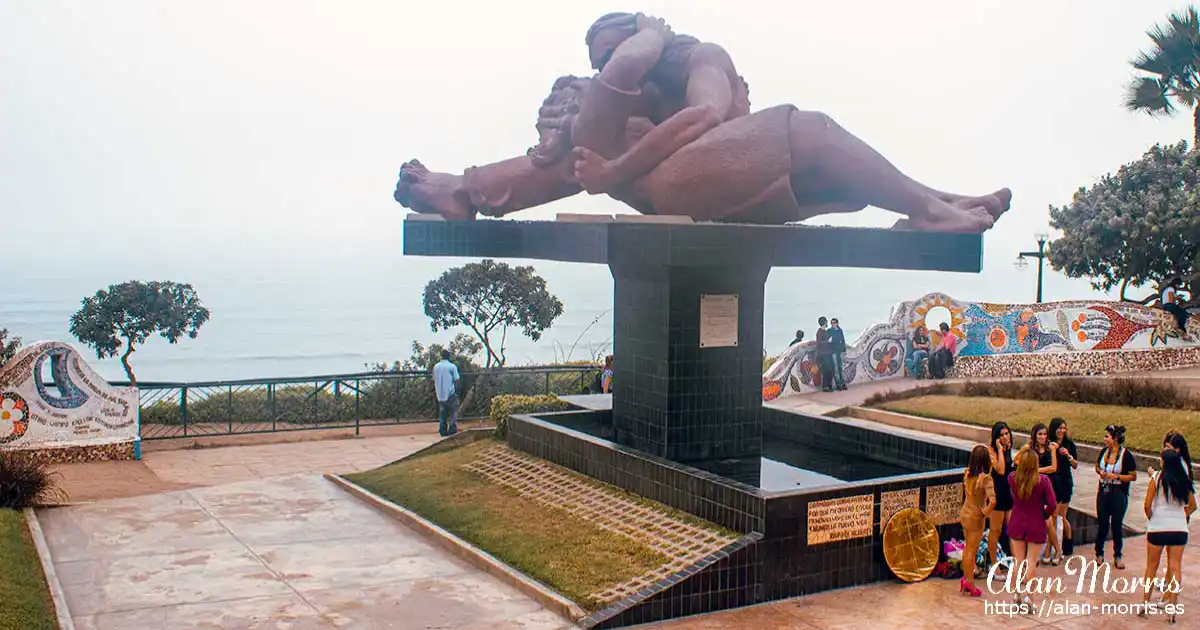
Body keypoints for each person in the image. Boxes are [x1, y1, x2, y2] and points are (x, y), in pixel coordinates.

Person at [395, 15, 1012, 232]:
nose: (607, 65)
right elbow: (565, 162)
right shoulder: (624, 101)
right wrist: (611, 164)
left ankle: (936, 201)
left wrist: (613, 168)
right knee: (815, 135)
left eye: (612, 50)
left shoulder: (699, 59)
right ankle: (933, 206)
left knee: (825, 160)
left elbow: (707, 115)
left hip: (716, 174)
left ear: (644, 37)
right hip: (688, 182)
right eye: (599, 60)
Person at [1140, 448, 1196, 623]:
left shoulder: (1156, 478)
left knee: (1151, 566)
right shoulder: (1184, 480)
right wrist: (1181, 514)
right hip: (1178, 528)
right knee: (1175, 567)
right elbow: (1193, 506)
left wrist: (1153, 518)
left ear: (1164, 462)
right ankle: (1172, 609)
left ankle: (1145, 604)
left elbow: (1147, 504)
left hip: (1158, 527)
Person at [1007, 449, 1057, 609]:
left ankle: (1016, 593)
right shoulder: (1043, 481)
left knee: (1018, 561)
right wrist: (1045, 514)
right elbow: (1053, 504)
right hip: (1036, 521)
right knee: (1031, 562)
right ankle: (1029, 596)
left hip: (1017, 521)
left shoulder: (1012, 478)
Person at [1095, 424, 1138, 569]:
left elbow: (1133, 476)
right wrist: (1100, 471)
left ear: (1115, 438)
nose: (1104, 439)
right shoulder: (1103, 452)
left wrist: (1117, 476)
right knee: (1102, 523)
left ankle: (1117, 555)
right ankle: (1099, 552)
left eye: (1107, 436)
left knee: (1117, 524)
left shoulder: (1126, 455)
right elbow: (1097, 466)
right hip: (1104, 489)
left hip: (1118, 492)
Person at [1020, 423, 1060, 566]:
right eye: (1040, 434)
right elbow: (1018, 461)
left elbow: (1053, 468)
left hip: (1050, 485)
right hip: (1034, 488)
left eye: (1044, 434)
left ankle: (1057, 550)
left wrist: (1036, 471)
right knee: (1041, 521)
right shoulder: (1029, 449)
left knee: (1050, 521)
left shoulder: (1051, 448)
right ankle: (1037, 553)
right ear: (1034, 435)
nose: (1043, 437)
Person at [959, 445, 996, 598]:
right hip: (976, 515)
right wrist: (985, 513)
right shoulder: (986, 479)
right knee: (972, 551)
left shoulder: (967, 473)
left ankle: (966, 578)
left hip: (965, 511)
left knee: (967, 548)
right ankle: (970, 582)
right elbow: (993, 501)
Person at [1048, 418, 1079, 557]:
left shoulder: (1069, 444)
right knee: (1052, 516)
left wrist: (1068, 455)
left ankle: (1067, 542)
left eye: (1064, 428)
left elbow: (1075, 464)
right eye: (1059, 428)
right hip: (1052, 483)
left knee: (1060, 515)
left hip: (1065, 482)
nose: (1062, 431)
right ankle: (1054, 545)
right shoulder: (1049, 444)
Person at [987, 422, 1015, 574]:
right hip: (996, 495)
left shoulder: (1008, 449)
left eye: (1007, 434)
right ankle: (993, 564)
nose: (1005, 437)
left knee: (1011, 528)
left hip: (1007, 494)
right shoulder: (991, 450)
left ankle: (1013, 559)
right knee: (995, 531)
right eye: (1002, 435)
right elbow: (1001, 469)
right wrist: (999, 449)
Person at [432, 350, 461, 437]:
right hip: (450, 392)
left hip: (440, 394)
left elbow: (434, 379)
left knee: (443, 413)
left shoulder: (436, 367)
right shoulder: (452, 366)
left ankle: (442, 430)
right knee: (453, 411)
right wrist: (457, 391)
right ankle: (452, 428)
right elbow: (457, 379)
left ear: (441, 356)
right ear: (449, 356)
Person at [815, 317, 834, 392]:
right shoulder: (819, 332)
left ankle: (829, 385)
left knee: (831, 370)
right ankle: (825, 386)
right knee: (826, 370)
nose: (827, 323)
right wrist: (827, 341)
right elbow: (819, 343)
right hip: (822, 354)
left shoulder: (825, 331)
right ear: (824, 322)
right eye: (826, 322)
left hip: (828, 353)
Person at [829, 318, 847, 391]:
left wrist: (844, 350)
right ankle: (838, 385)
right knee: (836, 369)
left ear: (837, 323)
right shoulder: (830, 331)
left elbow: (842, 340)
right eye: (832, 323)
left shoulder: (840, 330)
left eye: (834, 323)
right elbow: (829, 340)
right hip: (833, 352)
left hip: (839, 351)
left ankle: (843, 384)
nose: (833, 324)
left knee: (841, 368)